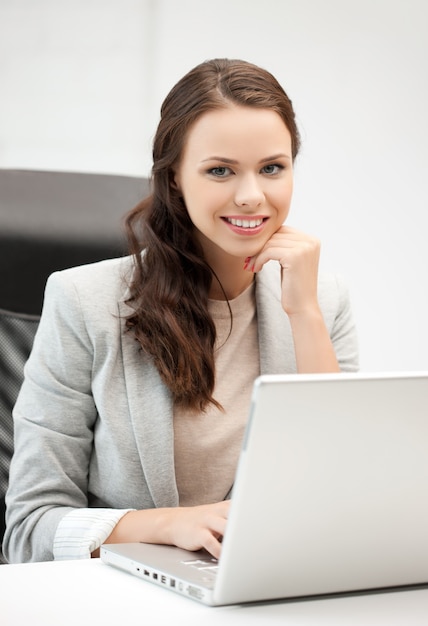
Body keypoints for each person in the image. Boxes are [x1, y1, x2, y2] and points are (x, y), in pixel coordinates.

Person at [3, 58, 358, 563]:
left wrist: (303, 313)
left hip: (267, 586)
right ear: (174, 180)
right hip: (123, 598)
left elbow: (345, 495)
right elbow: (28, 531)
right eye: (220, 170)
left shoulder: (323, 300)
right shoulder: (83, 301)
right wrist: (169, 525)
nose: (252, 196)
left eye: (272, 168)